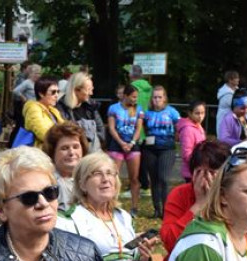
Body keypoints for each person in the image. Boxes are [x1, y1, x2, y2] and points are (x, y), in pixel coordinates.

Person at [57, 151, 156, 261]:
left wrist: (143, 257)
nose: (105, 179)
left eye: (110, 173)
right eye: (97, 174)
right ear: (82, 184)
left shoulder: (124, 217)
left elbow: (133, 260)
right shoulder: (72, 219)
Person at [140, 86, 180, 218]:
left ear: (164, 98)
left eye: (159, 97)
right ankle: (157, 210)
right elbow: (142, 128)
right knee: (154, 179)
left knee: (163, 178)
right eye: (155, 97)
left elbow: (179, 127)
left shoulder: (172, 112)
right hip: (150, 149)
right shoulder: (147, 113)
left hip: (167, 149)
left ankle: (166, 210)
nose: (157, 100)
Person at [106, 85, 144, 214]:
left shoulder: (138, 109)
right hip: (117, 145)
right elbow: (111, 128)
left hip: (133, 146)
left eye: (136, 97)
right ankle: (111, 203)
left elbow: (139, 128)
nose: (135, 99)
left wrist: (132, 142)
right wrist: (121, 143)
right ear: (125, 96)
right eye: (133, 97)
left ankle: (134, 207)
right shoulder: (113, 108)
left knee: (134, 178)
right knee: (113, 176)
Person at [44, 122, 87, 211]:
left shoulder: (88, 177)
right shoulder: (49, 184)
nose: (71, 153)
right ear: (52, 153)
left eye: (76, 147)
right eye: (64, 148)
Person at [59, 71, 105, 153]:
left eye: (92, 89)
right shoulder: (61, 108)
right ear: (76, 90)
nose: (91, 93)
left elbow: (101, 132)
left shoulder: (91, 106)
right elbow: (65, 134)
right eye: (88, 90)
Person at [22, 77, 64, 151]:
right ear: (41, 94)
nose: (56, 95)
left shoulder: (53, 110)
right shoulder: (33, 109)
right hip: (39, 154)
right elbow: (43, 133)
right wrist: (63, 138)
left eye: (58, 91)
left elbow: (65, 127)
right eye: (53, 92)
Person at [176, 100, 207, 181]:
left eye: (203, 113)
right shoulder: (187, 130)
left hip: (199, 169)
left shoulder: (198, 126)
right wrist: (200, 161)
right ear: (190, 113)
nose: (200, 116)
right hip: (192, 172)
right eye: (197, 113)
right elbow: (187, 154)